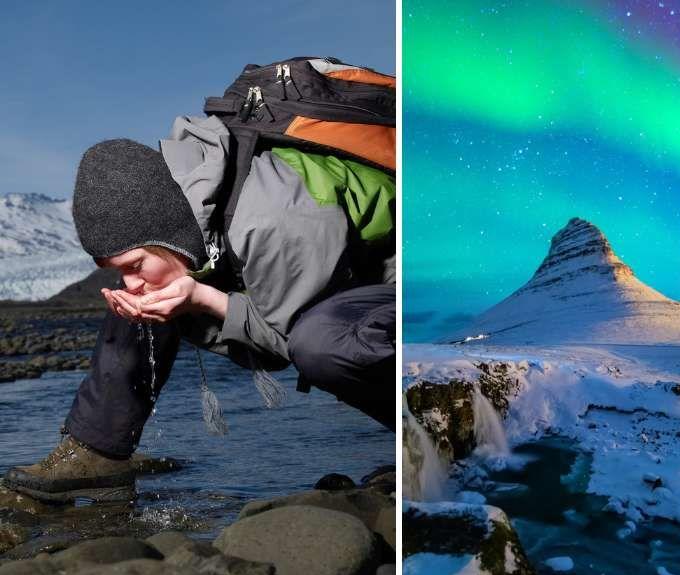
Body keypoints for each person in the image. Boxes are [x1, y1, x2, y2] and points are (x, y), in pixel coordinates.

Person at [3, 115, 396, 503]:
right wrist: (165, 294)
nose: (129, 280)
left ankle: (428, 442)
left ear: (168, 232)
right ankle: (97, 454)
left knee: (323, 344)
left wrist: (205, 300)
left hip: (410, 295)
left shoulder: (272, 222)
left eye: (133, 264)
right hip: (331, 286)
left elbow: (288, 344)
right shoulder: (183, 207)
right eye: (117, 269)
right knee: (144, 296)